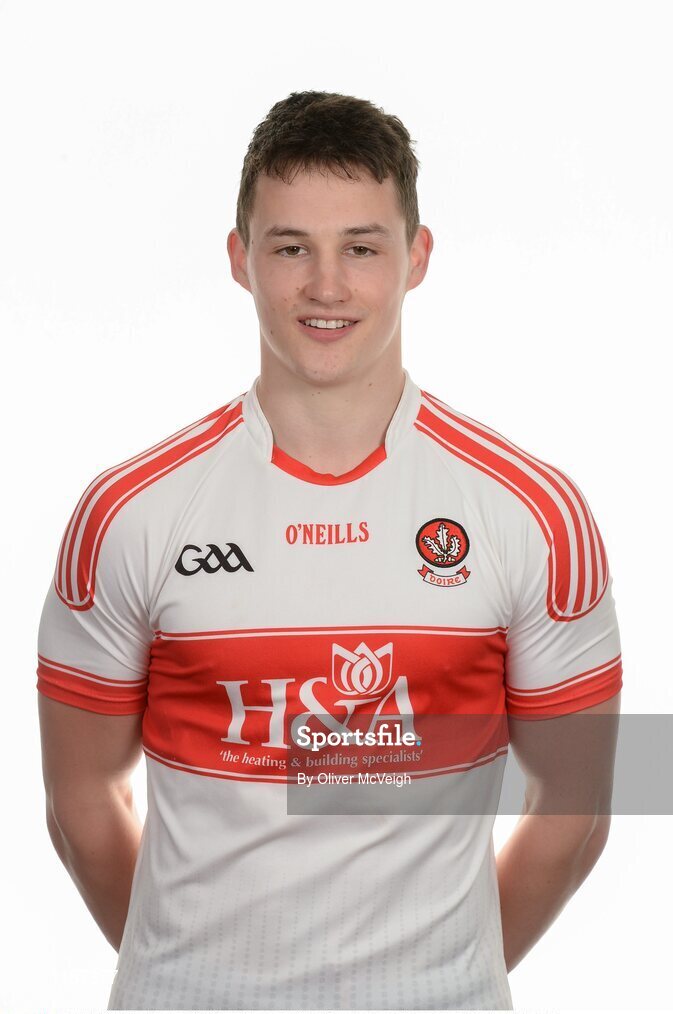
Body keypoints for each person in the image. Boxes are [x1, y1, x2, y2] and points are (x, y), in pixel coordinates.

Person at [36, 90, 622, 1011]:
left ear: (415, 258)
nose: (325, 286)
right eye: (289, 248)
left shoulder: (532, 514)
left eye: (360, 247)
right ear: (240, 261)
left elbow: (577, 813)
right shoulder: (129, 513)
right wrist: (194, 975)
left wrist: (439, 982)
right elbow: (80, 807)